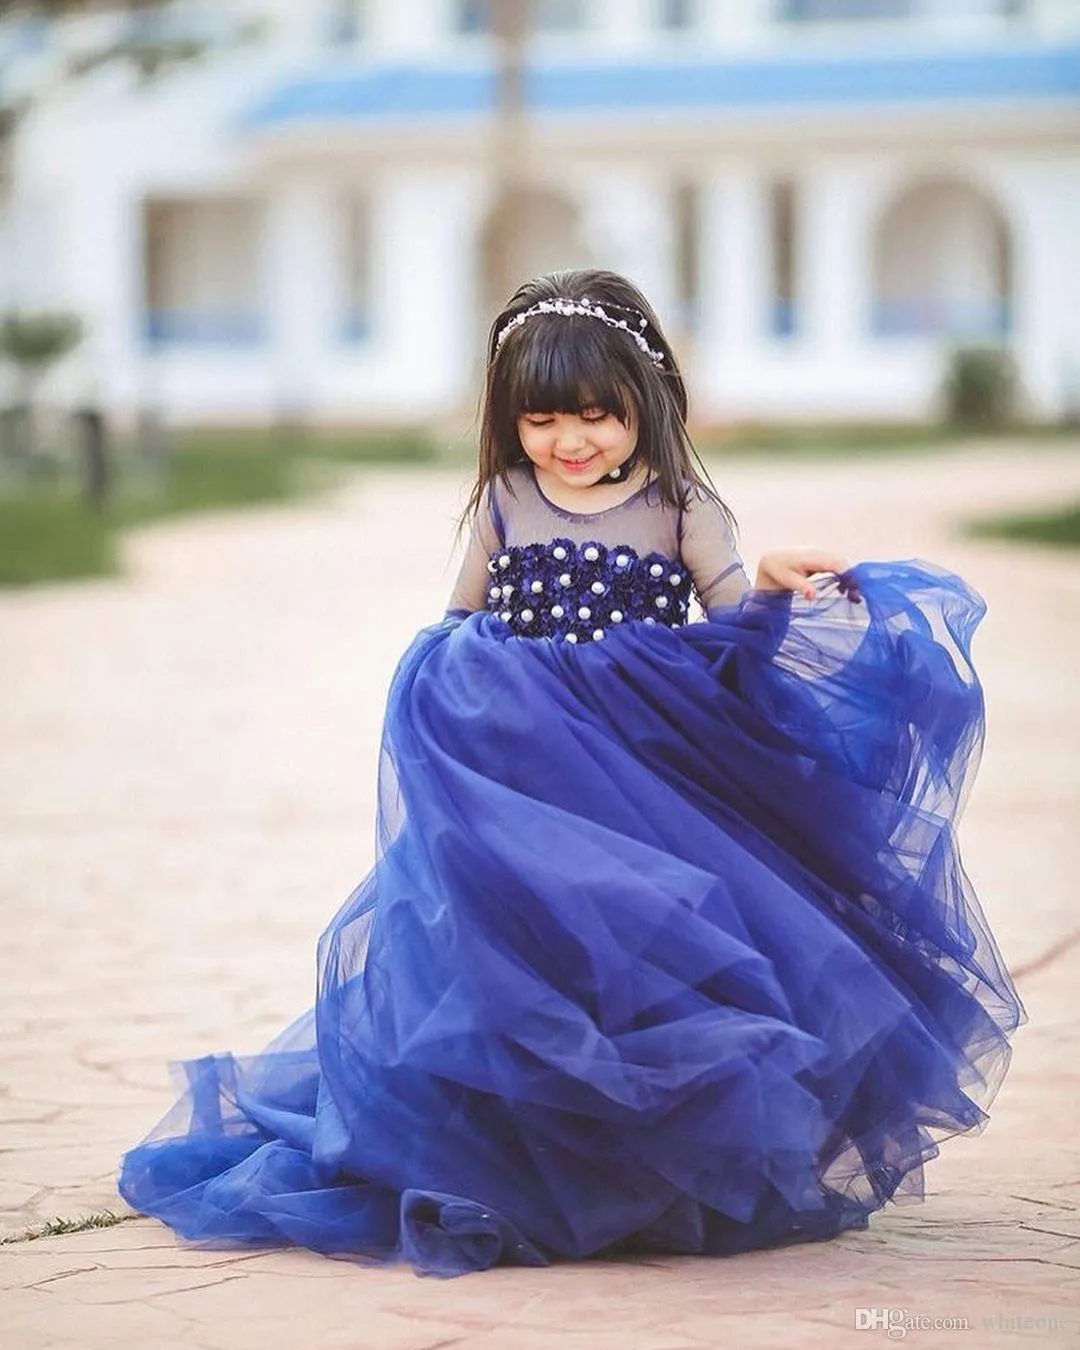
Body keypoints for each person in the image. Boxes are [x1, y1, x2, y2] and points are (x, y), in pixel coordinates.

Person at [118, 269, 1024, 1277]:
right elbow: (458, 623)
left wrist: (768, 588)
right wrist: (451, 690)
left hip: (643, 766)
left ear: (647, 402)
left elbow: (730, 633)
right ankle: (517, 1156)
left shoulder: (681, 504)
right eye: (542, 420)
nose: (571, 442)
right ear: (511, 423)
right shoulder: (505, 500)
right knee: (520, 956)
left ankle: (643, 1168)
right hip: (517, 762)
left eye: (596, 416)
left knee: (645, 953)